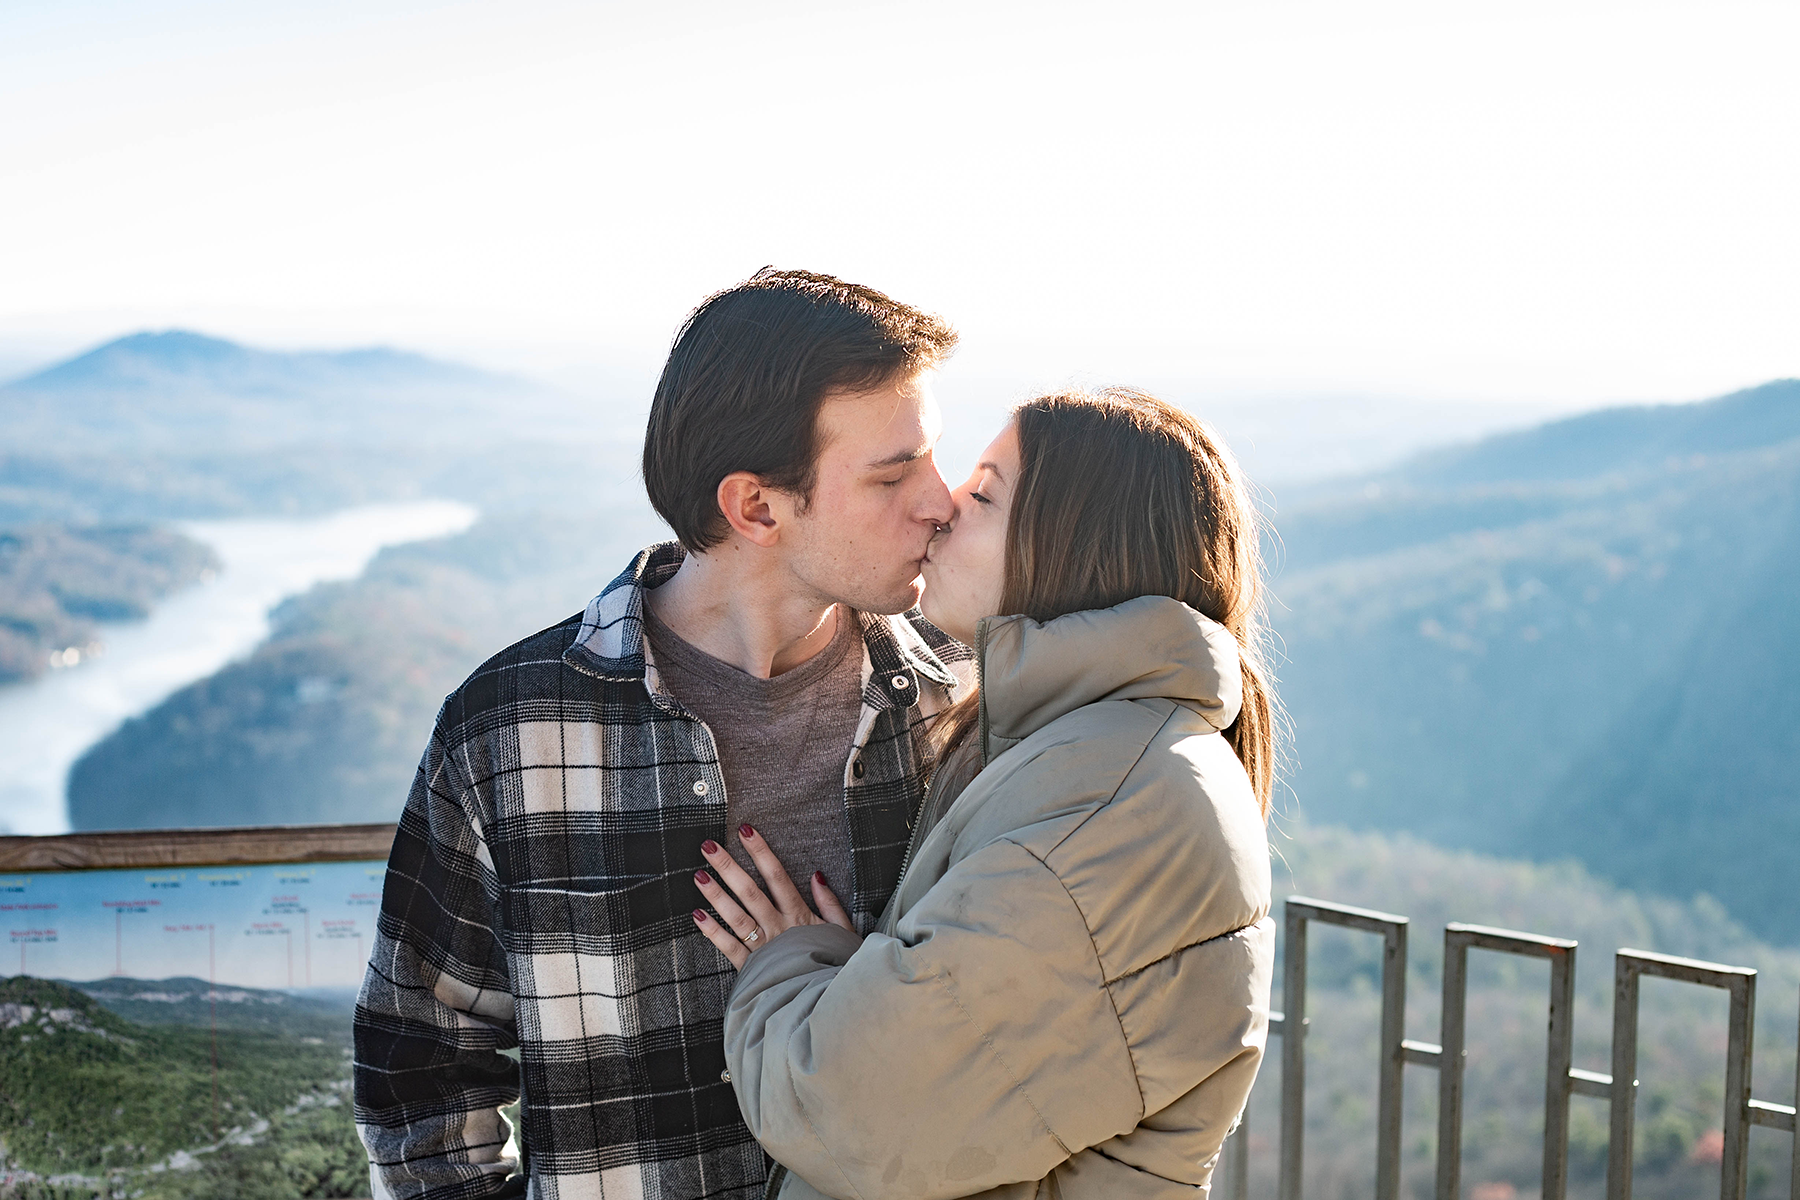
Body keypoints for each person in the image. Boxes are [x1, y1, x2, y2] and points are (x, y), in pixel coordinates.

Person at [353, 268, 973, 1200]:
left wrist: (827, 980)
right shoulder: (509, 731)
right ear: (756, 507)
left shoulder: (957, 704)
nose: (943, 500)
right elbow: (421, 1070)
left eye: (933, 457)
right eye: (894, 474)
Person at [694, 388, 1279, 1199]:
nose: (940, 510)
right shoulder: (1084, 754)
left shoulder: (1110, 804)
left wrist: (790, 964)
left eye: (983, 494)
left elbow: (855, 1114)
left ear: (1073, 548)